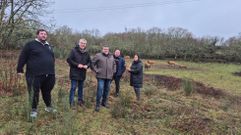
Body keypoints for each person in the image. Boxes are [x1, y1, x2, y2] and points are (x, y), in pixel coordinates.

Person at [17, 29, 56, 118]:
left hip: (49, 74)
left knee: (47, 91)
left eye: (45, 34)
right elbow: (22, 57)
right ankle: (33, 110)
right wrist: (19, 69)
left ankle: (48, 107)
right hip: (34, 74)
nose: (44, 35)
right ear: (37, 35)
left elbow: (52, 58)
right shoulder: (30, 45)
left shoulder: (48, 46)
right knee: (34, 92)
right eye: (42, 34)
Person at [67, 38, 91, 107]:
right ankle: (71, 103)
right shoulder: (73, 51)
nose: (83, 45)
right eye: (82, 43)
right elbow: (69, 60)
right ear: (79, 43)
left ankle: (80, 101)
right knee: (73, 88)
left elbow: (89, 62)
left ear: (86, 45)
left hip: (82, 73)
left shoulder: (86, 52)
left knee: (81, 88)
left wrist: (87, 65)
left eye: (84, 44)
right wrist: (77, 65)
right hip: (74, 73)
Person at [91, 46, 116, 112]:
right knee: (100, 90)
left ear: (108, 49)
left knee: (107, 90)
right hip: (100, 76)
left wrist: (113, 71)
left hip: (109, 77)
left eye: (107, 49)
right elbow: (92, 63)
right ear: (102, 49)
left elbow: (114, 64)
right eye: (104, 49)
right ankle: (97, 105)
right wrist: (96, 70)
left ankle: (104, 103)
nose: (106, 50)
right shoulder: (98, 55)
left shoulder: (111, 56)